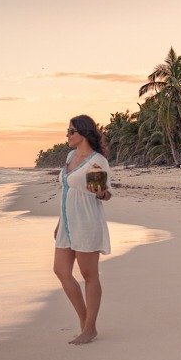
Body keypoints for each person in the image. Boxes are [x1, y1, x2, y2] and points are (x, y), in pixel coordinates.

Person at [53, 115, 112, 345]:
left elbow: (105, 194)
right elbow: (66, 192)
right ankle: (86, 321)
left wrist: (100, 193)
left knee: (89, 276)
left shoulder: (98, 161)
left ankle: (89, 329)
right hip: (68, 223)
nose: (67, 135)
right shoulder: (70, 156)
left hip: (87, 222)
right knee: (61, 270)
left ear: (83, 134)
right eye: (67, 131)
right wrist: (60, 222)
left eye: (71, 131)